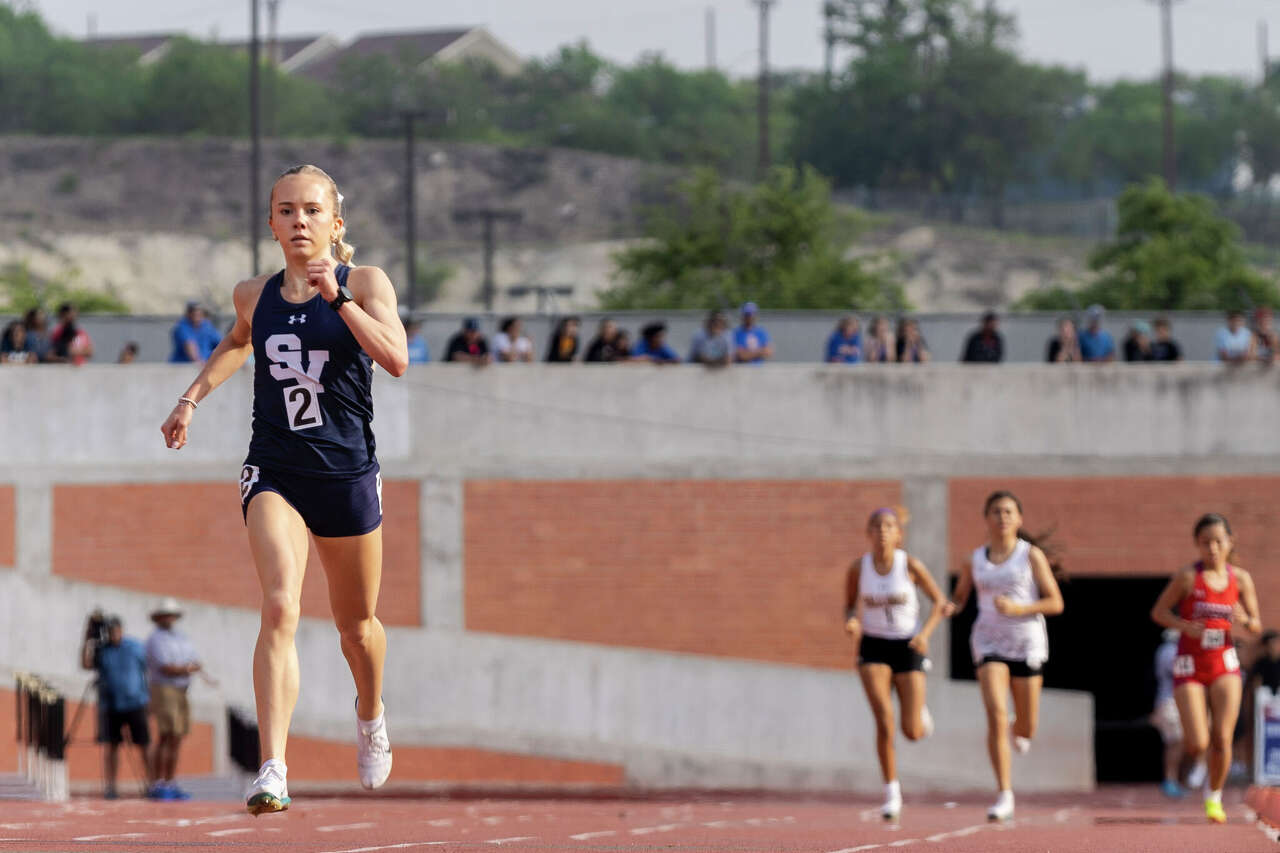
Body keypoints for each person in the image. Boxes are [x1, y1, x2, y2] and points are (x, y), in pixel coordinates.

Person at [159, 164, 407, 815]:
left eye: (312, 211)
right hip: (276, 469)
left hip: (347, 473)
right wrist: (191, 397)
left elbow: (397, 358)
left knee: (356, 627)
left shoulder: (366, 282)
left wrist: (339, 301)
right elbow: (239, 342)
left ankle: (370, 711)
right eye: (287, 210)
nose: (300, 221)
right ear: (271, 223)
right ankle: (273, 766)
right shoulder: (254, 294)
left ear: (335, 223)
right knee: (279, 606)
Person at [948, 490, 1064, 822]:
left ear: (1019, 519)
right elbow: (960, 597)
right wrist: (950, 606)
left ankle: (1019, 727)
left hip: (1026, 642)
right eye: (996, 512)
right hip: (987, 643)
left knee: (1026, 728)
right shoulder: (974, 560)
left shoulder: (1031, 556)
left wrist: (1019, 608)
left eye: (1009, 512)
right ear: (986, 519)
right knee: (996, 715)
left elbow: (1055, 602)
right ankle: (1003, 793)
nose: (1002, 518)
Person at [1150, 513, 1262, 825]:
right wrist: (1185, 625)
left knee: (1222, 738)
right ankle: (1194, 769)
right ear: (1197, 545)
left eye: (1218, 541)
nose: (1212, 548)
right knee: (1198, 741)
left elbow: (1256, 626)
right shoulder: (1188, 577)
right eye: (1205, 542)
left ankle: (1213, 796)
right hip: (1189, 663)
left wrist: (1244, 620)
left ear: (1229, 542)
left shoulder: (1240, 579)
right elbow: (1158, 612)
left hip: (1224, 662)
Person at [843, 507, 947, 822]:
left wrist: (926, 634)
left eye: (889, 526)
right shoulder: (859, 569)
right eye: (876, 526)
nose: (883, 532)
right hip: (873, 646)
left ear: (899, 534)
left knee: (912, 731)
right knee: (884, 719)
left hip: (908, 644)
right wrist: (850, 622)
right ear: (868, 533)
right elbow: (848, 606)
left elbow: (940, 602)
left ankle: (919, 713)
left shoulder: (910, 565)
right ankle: (891, 792)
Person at [80, 613, 151, 800]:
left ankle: (152, 784)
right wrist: (87, 638)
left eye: (116, 630)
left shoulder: (135, 647)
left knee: (143, 744)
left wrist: (149, 698)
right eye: (110, 631)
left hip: (135, 703)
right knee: (111, 747)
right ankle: (111, 787)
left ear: (121, 630)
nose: (113, 634)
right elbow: (86, 664)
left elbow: (147, 671)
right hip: (110, 705)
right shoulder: (102, 650)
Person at [145, 597, 202, 801]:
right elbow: (165, 667)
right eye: (166, 614)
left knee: (177, 736)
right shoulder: (155, 639)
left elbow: (193, 661)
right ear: (159, 617)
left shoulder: (181, 637)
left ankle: (170, 780)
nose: (169, 618)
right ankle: (158, 781)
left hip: (181, 689)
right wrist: (186, 668)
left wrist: (186, 668)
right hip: (164, 688)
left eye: (171, 614)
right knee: (166, 735)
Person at [1151, 628, 1187, 798]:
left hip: (1176, 701)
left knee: (1177, 743)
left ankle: (1173, 779)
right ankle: (1170, 780)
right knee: (1175, 741)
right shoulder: (1169, 651)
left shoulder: (1174, 650)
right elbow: (1178, 672)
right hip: (1170, 701)